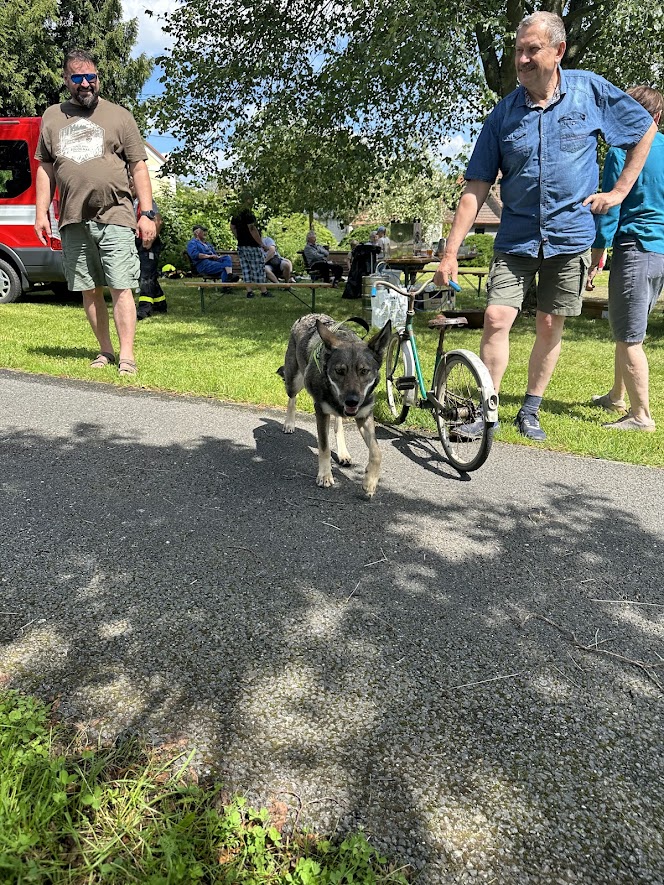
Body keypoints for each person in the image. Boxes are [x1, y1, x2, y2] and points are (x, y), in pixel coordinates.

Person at [434, 11, 656, 441]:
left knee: (551, 324)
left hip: (570, 235)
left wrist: (618, 192)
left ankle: (530, 409)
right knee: (496, 317)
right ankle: (488, 411)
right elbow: (476, 186)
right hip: (516, 237)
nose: (521, 59)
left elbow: (643, 128)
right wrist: (450, 253)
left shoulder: (589, 91)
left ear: (558, 51)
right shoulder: (502, 115)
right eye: (518, 50)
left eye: (532, 49)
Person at [34, 49, 157, 377]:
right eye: (78, 77)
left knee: (121, 285)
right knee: (89, 288)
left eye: (91, 76)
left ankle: (127, 356)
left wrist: (147, 212)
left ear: (98, 78)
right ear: (66, 80)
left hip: (116, 213)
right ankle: (105, 350)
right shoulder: (52, 116)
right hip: (73, 217)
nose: (86, 83)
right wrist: (41, 212)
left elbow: (139, 166)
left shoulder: (119, 116)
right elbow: (45, 168)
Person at [589, 86, 664, 433]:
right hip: (660, 253)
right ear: (658, 117)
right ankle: (616, 396)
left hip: (635, 247)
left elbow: (609, 206)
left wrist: (598, 253)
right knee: (627, 328)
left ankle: (641, 416)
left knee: (630, 336)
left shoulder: (623, 150)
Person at [128, 176, 166, 320]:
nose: (130, 188)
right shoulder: (128, 202)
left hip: (149, 242)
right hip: (136, 242)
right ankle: (160, 304)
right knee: (148, 275)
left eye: (132, 186)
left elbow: (158, 220)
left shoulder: (146, 203)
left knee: (145, 275)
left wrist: (150, 240)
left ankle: (145, 308)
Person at [230, 198, 271, 297]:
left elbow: (232, 227)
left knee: (246, 268)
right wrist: (262, 244)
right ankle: (263, 291)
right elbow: (252, 229)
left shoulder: (236, 214)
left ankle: (249, 291)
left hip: (241, 246)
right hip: (252, 246)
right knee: (258, 268)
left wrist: (239, 237)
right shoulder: (248, 214)